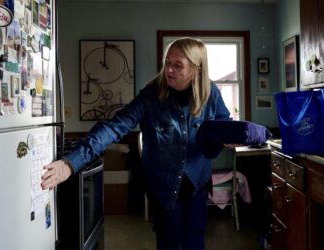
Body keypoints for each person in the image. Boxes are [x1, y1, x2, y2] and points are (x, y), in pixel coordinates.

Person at [41, 37, 232, 250]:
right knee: (169, 242)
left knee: (195, 241)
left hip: (198, 182)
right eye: (167, 62)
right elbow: (113, 127)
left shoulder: (211, 93)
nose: (169, 69)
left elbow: (224, 125)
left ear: (197, 69)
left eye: (178, 65)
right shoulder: (151, 95)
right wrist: (70, 163)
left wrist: (232, 137)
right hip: (163, 185)